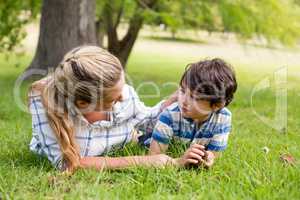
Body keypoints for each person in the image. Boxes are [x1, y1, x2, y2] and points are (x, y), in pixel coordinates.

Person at [28, 46, 176, 172]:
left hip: (119, 138)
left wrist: (175, 99)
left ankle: (131, 136)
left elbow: (148, 119)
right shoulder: (46, 101)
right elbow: (67, 163)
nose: (122, 98)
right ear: (83, 104)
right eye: (112, 99)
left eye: (122, 87)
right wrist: (141, 161)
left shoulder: (125, 95)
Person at [147, 58, 237, 168]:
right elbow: (154, 157)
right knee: (136, 135)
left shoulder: (223, 118)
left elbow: (214, 154)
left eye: (194, 97)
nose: (184, 101)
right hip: (147, 133)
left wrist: (208, 158)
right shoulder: (169, 115)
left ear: (216, 105)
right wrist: (180, 160)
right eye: (183, 91)